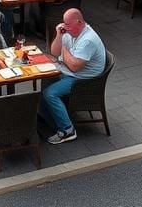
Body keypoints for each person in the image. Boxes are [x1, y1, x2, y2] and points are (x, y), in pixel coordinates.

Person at [40, 8, 106, 144]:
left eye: (68, 24)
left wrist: (64, 51)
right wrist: (59, 35)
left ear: (79, 22)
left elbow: (75, 66)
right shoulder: (70, 31)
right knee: (45, 78)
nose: (65, 27)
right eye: (64, 23)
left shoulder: (88, 40)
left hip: (83, 80)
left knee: (50, 93)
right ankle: (47, 117)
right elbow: (54, 51)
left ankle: (67, 130)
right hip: (69, 72)